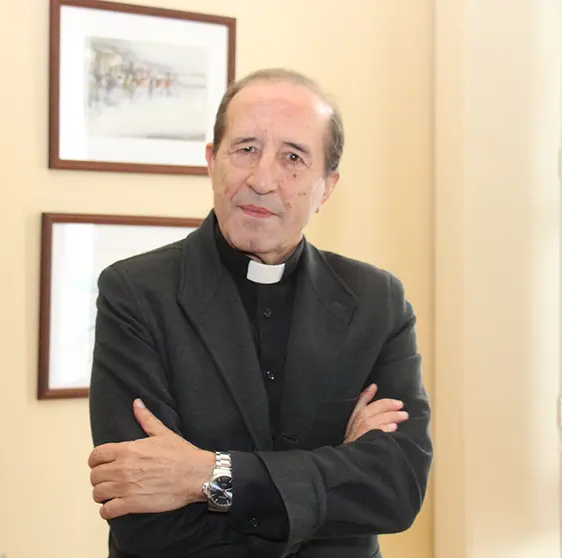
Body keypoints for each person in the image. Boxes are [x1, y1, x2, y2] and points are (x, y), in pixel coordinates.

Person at [87, 68, 433, 558]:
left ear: (327, 186)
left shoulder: (377, 302)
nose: (263, 180)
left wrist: (209, 476)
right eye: (246, 148)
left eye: (293, 158)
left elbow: (395, 492)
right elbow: (147, 524)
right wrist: (338, 471)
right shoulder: (135, 294)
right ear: (212, 161)